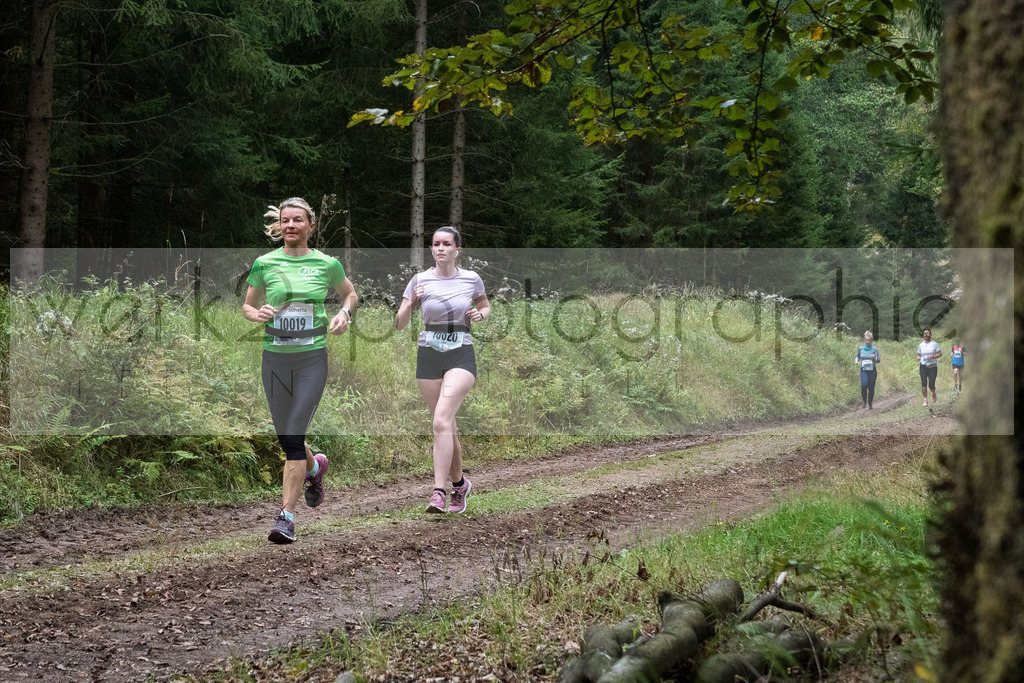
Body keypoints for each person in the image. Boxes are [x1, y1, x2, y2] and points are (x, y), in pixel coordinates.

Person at [243, 197, 357, 543]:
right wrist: (257, 313)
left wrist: (344, 314)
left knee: (293, 433)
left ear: (310, 225)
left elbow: (349, 294)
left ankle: (286, 517)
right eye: (285, 221)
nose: (290, 226)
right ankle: (314, 468)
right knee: (286, 437)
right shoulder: (264, 263)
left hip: (311, 359)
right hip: (275, 357)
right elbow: (247, 306)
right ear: (279, 227)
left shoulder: (327, 264)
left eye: (297, 220)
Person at [395, 226, 490, 514]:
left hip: (461, 353)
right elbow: (399, 324)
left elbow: (485, 306)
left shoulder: (471, 279)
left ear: (457, 249)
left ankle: (439, 491)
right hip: (429, 354)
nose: (440, 248)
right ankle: (460, 485)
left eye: (446, 244)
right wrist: (412, 301)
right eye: (435, 244)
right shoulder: (419, 280)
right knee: (445, 425)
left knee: (440, 422)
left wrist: (480, 314)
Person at [854, 330, 881, 409]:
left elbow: (878, 360)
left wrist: (875, 357)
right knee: (864, 385)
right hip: (864, 370)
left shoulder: (874, 349)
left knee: (871, 387)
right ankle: (864, 402)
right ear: (864, 340)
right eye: (866, 340)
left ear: (871, 340)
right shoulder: (861, 348)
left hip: (872, 370)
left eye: (869, 340)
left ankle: (870, 403)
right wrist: (856, 360)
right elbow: (857, 356)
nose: (868, 342)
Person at [916, 328, 941, 409]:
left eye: (927, 333)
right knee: (923, 382)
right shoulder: (921, 345)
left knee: (931, 384)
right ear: (923, 335)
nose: (926, 335)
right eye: (924, 334)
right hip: (923, 366)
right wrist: (918, 357)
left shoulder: (934, 344)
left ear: (930, 335)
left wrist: (933, 356)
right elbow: (918, 354)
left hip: (932, 366)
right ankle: (925, 400)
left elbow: (940, 354)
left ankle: (933, 392)